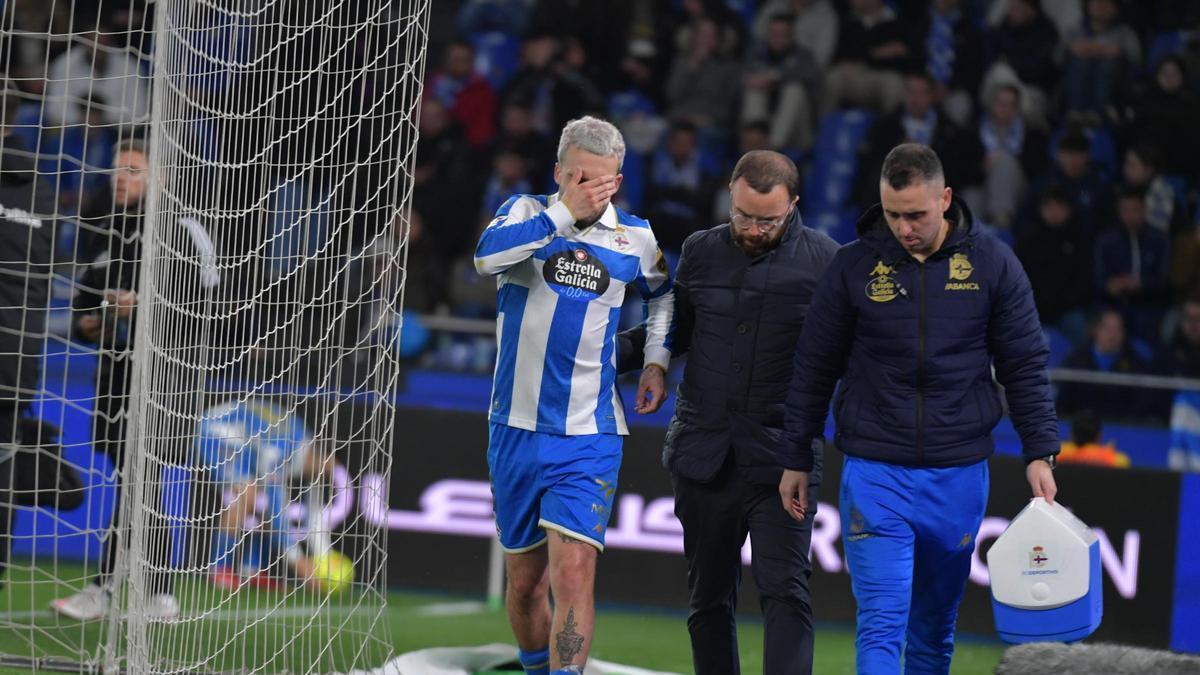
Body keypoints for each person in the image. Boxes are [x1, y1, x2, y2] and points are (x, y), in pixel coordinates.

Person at [777, 143, 1060, 674]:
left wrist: (1040, 450)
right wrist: (797, 454)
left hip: (958, 476)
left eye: (916, 215)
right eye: (892, 214)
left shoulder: (994, 264)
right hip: (875, 471)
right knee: (882, 623)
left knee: (933, 632)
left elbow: (1024, 363)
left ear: (946, 199)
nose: (903, 227)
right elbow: (814, 366)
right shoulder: (853, 266)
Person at [619, 151, 839, 674]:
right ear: (730, 196)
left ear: (794, 206)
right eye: (743, 214)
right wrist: (629, 358)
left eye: (768, 219)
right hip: (705, 451)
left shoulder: (827, 261)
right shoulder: (700, 250)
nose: (753, 228)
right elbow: (679, 327)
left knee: (786, 592)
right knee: (708, 598)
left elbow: (848, 350)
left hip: (784, 459)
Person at [473, 116, 674, 675]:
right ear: (560, 171)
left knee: (574, 572)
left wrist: (656, 360)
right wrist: (564, 211)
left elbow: (665, 296)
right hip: (513, 425)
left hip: (589, 432)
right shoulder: (524, 213)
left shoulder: (635, 237)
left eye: (605, 181)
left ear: (620, 178)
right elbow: (485, 259)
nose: (594, 190)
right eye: (582, 178)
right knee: (526, 583)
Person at [51, 138, 220, 622]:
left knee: (137, 480)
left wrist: (144, 308)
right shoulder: (105, 232)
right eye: (116, 169)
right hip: (118, 375)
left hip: (169, 380)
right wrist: (89, 325)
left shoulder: (186, 233)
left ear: (158, 180)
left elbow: (213, 310)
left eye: (132, 170)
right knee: (134, 483)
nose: (120, 178)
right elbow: (85, 302)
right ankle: (155, 594)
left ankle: (107, 591)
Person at [194, 399, 338, 591]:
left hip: (241, 439)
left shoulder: (302, 441)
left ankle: (251, 570)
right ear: (317, 457)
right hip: (217, 433)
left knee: (259, 503)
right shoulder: (280, 452)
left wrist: (325, 554)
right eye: (322, 471)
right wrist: (299, 563)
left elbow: (314, 512)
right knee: (248, 495)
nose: (320, 477)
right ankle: (219, 569)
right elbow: (276, 511)